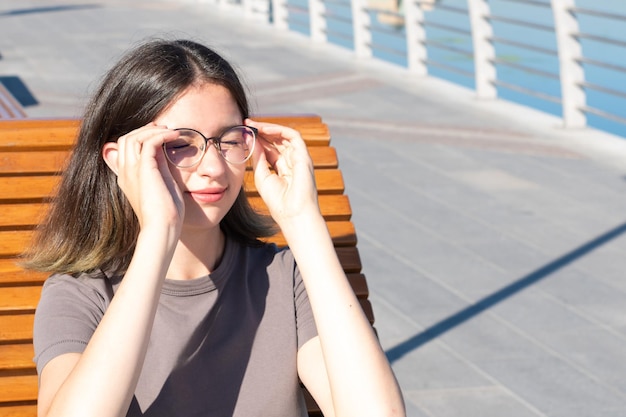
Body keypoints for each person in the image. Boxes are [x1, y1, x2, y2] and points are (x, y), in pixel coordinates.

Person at [24, 38, 405, 417]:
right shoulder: (81, 295)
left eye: (229, 139)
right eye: (181, 144)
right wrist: (158, 234)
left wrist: (302, 221)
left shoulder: (287, 279)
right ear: (120, 160)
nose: (215, 168)